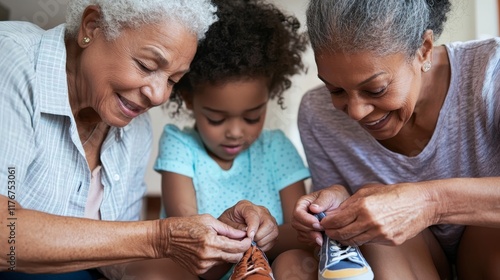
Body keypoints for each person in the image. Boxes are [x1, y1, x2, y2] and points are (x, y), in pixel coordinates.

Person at [0, 1, 279, 279]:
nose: (159, 96)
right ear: (92, 27)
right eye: (146, 65)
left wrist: (219, 241)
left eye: (173, 80)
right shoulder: (13, 61)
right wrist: (159, 237)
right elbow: (5, 235)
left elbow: (117, 259)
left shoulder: (134, 127)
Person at [286, 0, 500, 279]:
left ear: (423, 50)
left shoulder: (491, 73)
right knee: (368, 225)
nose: (355, 112)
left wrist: (428, 203)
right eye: (336, 90)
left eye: (376, 89)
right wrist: (339, 204)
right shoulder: (318, 114)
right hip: (409, 263)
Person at [152, 0, 312, 279]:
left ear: (268, 96)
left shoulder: (277, 149)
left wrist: (267, 235)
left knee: (297, 262)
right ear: (189, 99)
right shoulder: (180, 146)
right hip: (201, 267)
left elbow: (301, 235)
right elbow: (189, 233)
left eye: (251, 117)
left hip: (266, 266)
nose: (236, 132)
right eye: (216, 119)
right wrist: (243, 237)